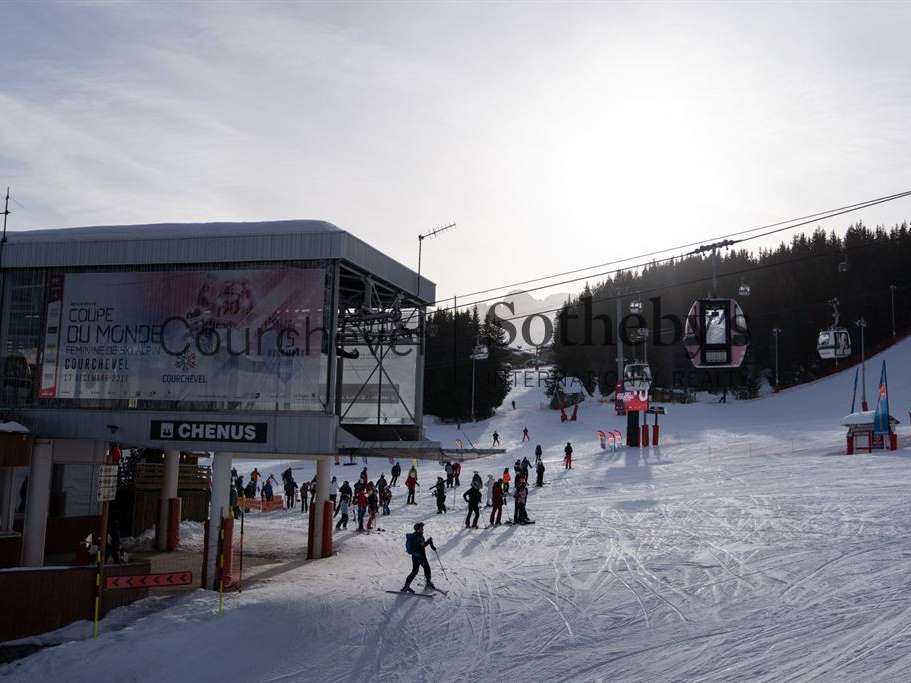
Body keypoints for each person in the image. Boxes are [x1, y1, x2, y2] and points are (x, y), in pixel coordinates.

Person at [402, 522, 437, 593]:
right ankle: (428, 583)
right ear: (417, 529)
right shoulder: (417, 537)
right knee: (427, 568)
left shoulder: (419, 536)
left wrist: (429, 542)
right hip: (420, 556)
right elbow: (420, 546)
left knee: (415, 571)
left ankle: (406, 586)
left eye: (422, 528)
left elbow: (422, 545)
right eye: (421, 528)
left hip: (415, 556)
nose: (423, 529)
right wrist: (428, 542)